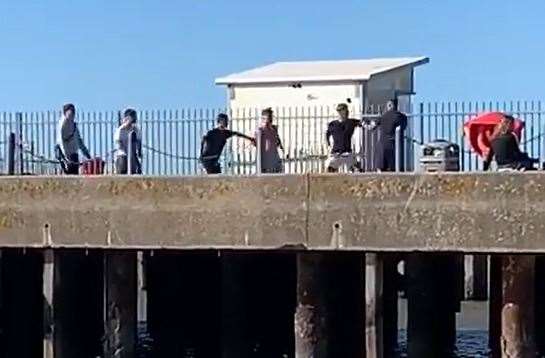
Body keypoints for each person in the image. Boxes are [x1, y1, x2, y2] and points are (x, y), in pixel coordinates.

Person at [325, 103, 362, 172]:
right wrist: (328, 145)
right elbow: (327, 135)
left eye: (344, 111)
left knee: (356, 170)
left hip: (347, 153)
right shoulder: (333, 124)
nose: (342, 113)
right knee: (329, 168)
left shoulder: (351, 122)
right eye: (340, 111)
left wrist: (371, 123)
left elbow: (363, 123)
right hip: (336, 153)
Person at [56, 103, 91, 174]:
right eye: (70, 112)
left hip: (73, 154)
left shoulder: (73, 124)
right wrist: (66, 157)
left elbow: (79, 140)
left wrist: (87, 154)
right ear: (65, 113)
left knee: (75, 175)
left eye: (73, 112)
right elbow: (61, 142)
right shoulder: (62, 125)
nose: (72, 114)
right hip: (66, 156)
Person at [374, 99, 408, 172]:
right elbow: (403, 127)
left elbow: (372, 126)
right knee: (394, 169)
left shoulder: (383, 117)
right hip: (394, 144)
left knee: (381, 169)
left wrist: (363, 123)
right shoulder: (401, 116)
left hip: (382, 144)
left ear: (389, 105)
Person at [114, 109, 142, 174]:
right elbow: (118, 144)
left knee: (133, 173)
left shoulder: (136, 130)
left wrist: (138, 152)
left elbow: (138, 142)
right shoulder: (121, 130)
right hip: (122, 155)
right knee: (122, 171)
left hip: (133, 156)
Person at [256, 108, 284, 173]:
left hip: (274, 159)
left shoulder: (274, 130)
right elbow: (256, 143)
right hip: (265, 161)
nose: (267, 121)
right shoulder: (260, 131)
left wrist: (280, 147)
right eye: (264, 119)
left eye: (268, 119)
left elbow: (277, 142)